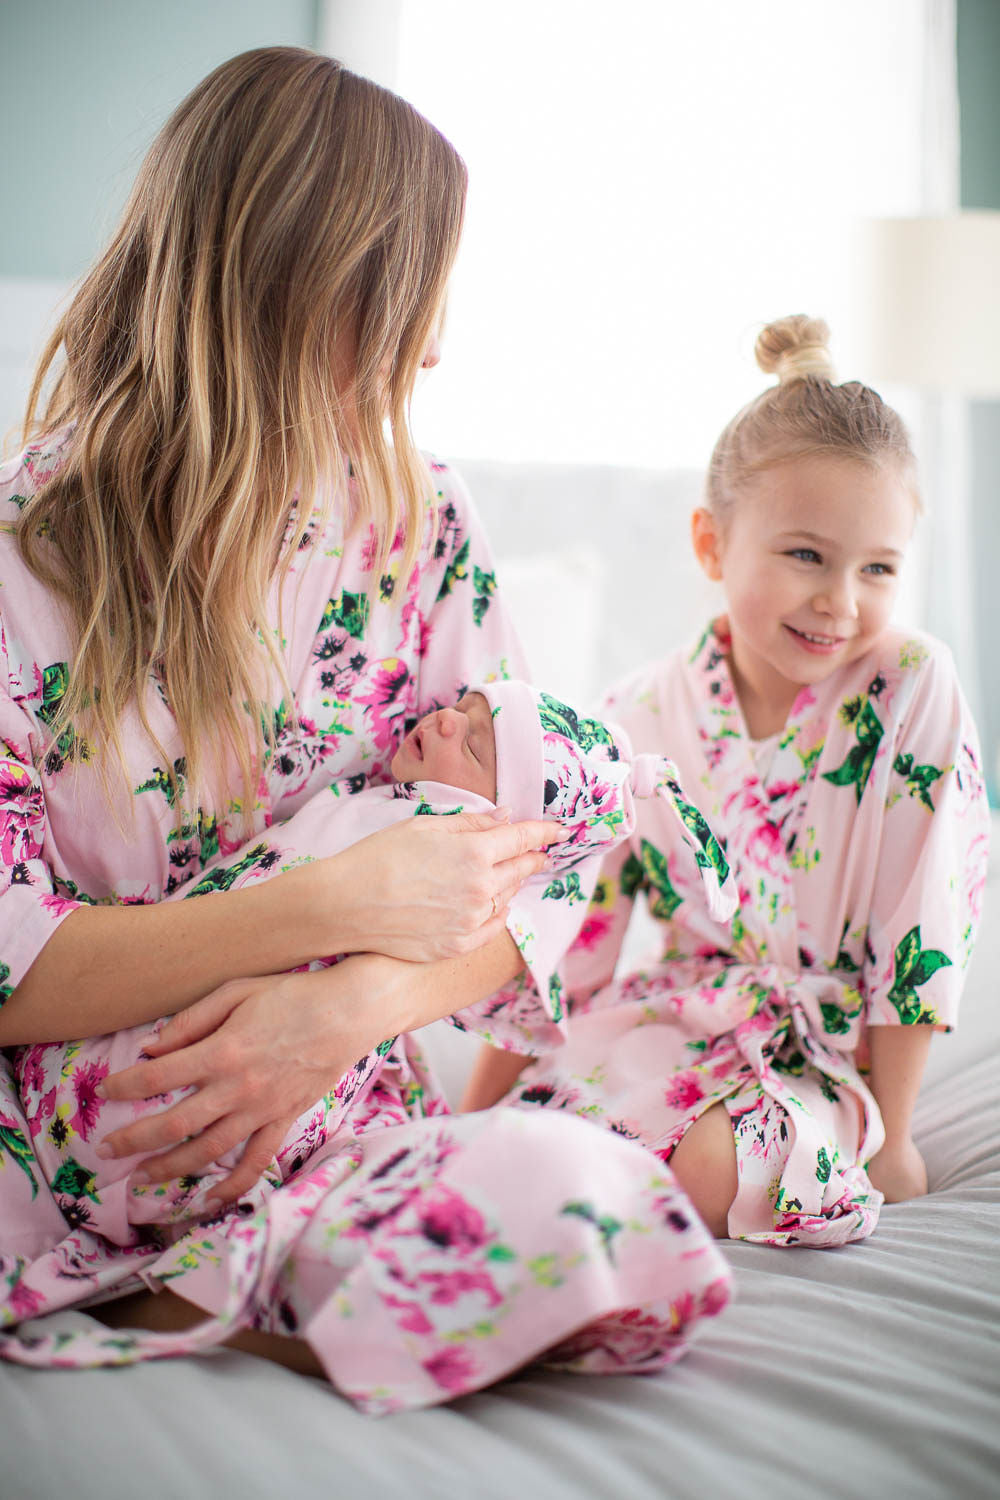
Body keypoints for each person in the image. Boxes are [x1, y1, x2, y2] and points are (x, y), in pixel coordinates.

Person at [0, 48, 732, 1413]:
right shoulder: (20, 555)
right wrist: (325, 906)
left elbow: (552, 871)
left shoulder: (419, 519)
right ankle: (190, 1273)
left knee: (615, 1219)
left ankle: (255, 1271)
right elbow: (9, 963)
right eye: (404, 294)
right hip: (76, 1137)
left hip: (341, 1104)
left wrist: (354, 1005)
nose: (434, 343)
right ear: (288, 285)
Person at [464, 315, 991, 1248]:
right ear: (712, 545)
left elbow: (924, 926)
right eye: (805, 555)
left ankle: (557, 1261)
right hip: (672, 1019)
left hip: (824, 1049)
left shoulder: (912, 683)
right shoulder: (637, 714)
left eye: (879, 568)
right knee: (526, 1147)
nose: (841, 599)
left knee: (707, 1166)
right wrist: (474, 1111)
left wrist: (896, 1139)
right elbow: (566, 938)